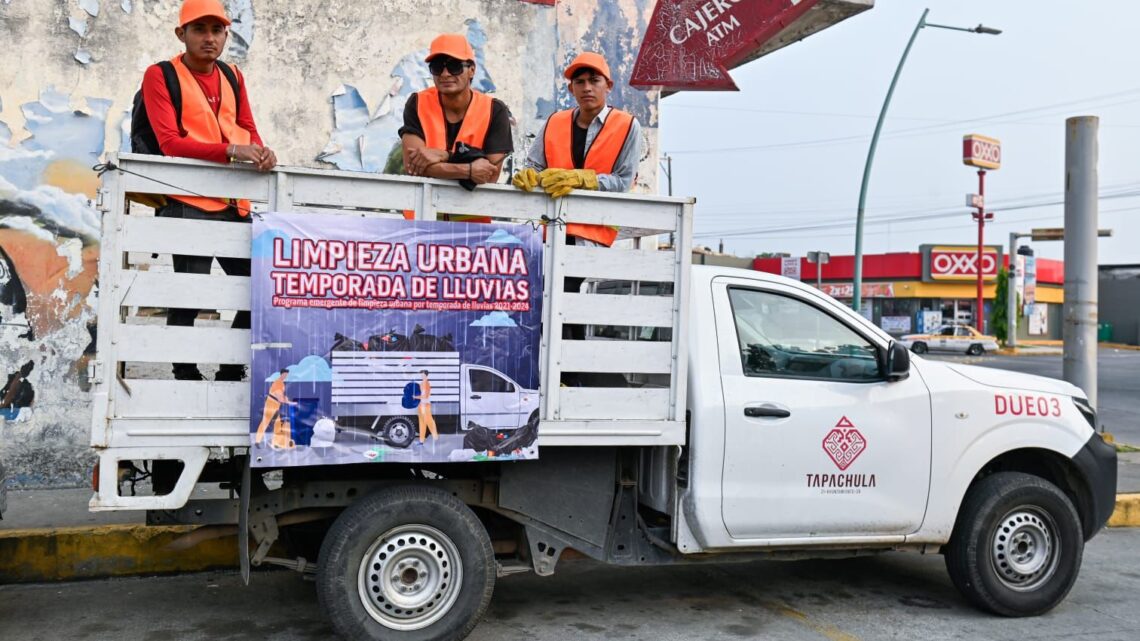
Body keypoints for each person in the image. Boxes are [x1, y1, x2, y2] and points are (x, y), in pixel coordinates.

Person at [142, 0, 277, 381]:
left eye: (217, 30)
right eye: (199, 29)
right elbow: (169, 142)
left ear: (225, 35)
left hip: (235, 202)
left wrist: (262, 151)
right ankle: (184, 372)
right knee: (191, 293)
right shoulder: (160, 75)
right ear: (180, 34)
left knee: (258, 290)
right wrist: (232, 151)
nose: (209, 38)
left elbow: (247, 128)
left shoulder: (233, 75)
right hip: (187, 200)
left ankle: (230, 369)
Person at [512, 51, 642, 254]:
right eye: (579, 82)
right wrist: (527, 175)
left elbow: (623, 182)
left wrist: (584, 179)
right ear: (571, 88)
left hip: (594, 235)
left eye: (594, 81)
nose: (587, 88)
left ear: (608, 86)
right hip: (549, 232)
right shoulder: (554, 122)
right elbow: (534, 166)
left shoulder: (628, 125)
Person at [399, 33, 513, 194]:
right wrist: (468, 170)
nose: (445, 74)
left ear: (472, 70)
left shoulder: (494, 110)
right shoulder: (417, 103)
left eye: (454, 66)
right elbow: (413, 166)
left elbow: (489, 174)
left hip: (470, 214)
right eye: (437, 67)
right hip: (423, 212)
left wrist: (444, 155)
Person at [254, 369, 296, 446]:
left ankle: (276, 442)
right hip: (271, 404)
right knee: (265, 422)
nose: (286, 376)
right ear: (281, 374)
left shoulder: (281, 384)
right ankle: (257, 441)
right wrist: (289, 402)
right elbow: (279, 397)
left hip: (276, 404)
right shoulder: (278, 383)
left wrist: (285, 398)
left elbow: (281, 396)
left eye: (287, 375)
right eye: (285, 375)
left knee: (277, 423)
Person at [415, 369, 438, 446]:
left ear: (426, 375)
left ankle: (435, 437)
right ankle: (421, 441)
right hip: (421, 405)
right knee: (422, 423)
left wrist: (416, 397)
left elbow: (425, 396)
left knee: (429, 422)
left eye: (423, 375)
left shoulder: (427, 384)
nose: (421, 376)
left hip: (426, 405)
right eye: (421, 375)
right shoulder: (422, 383)